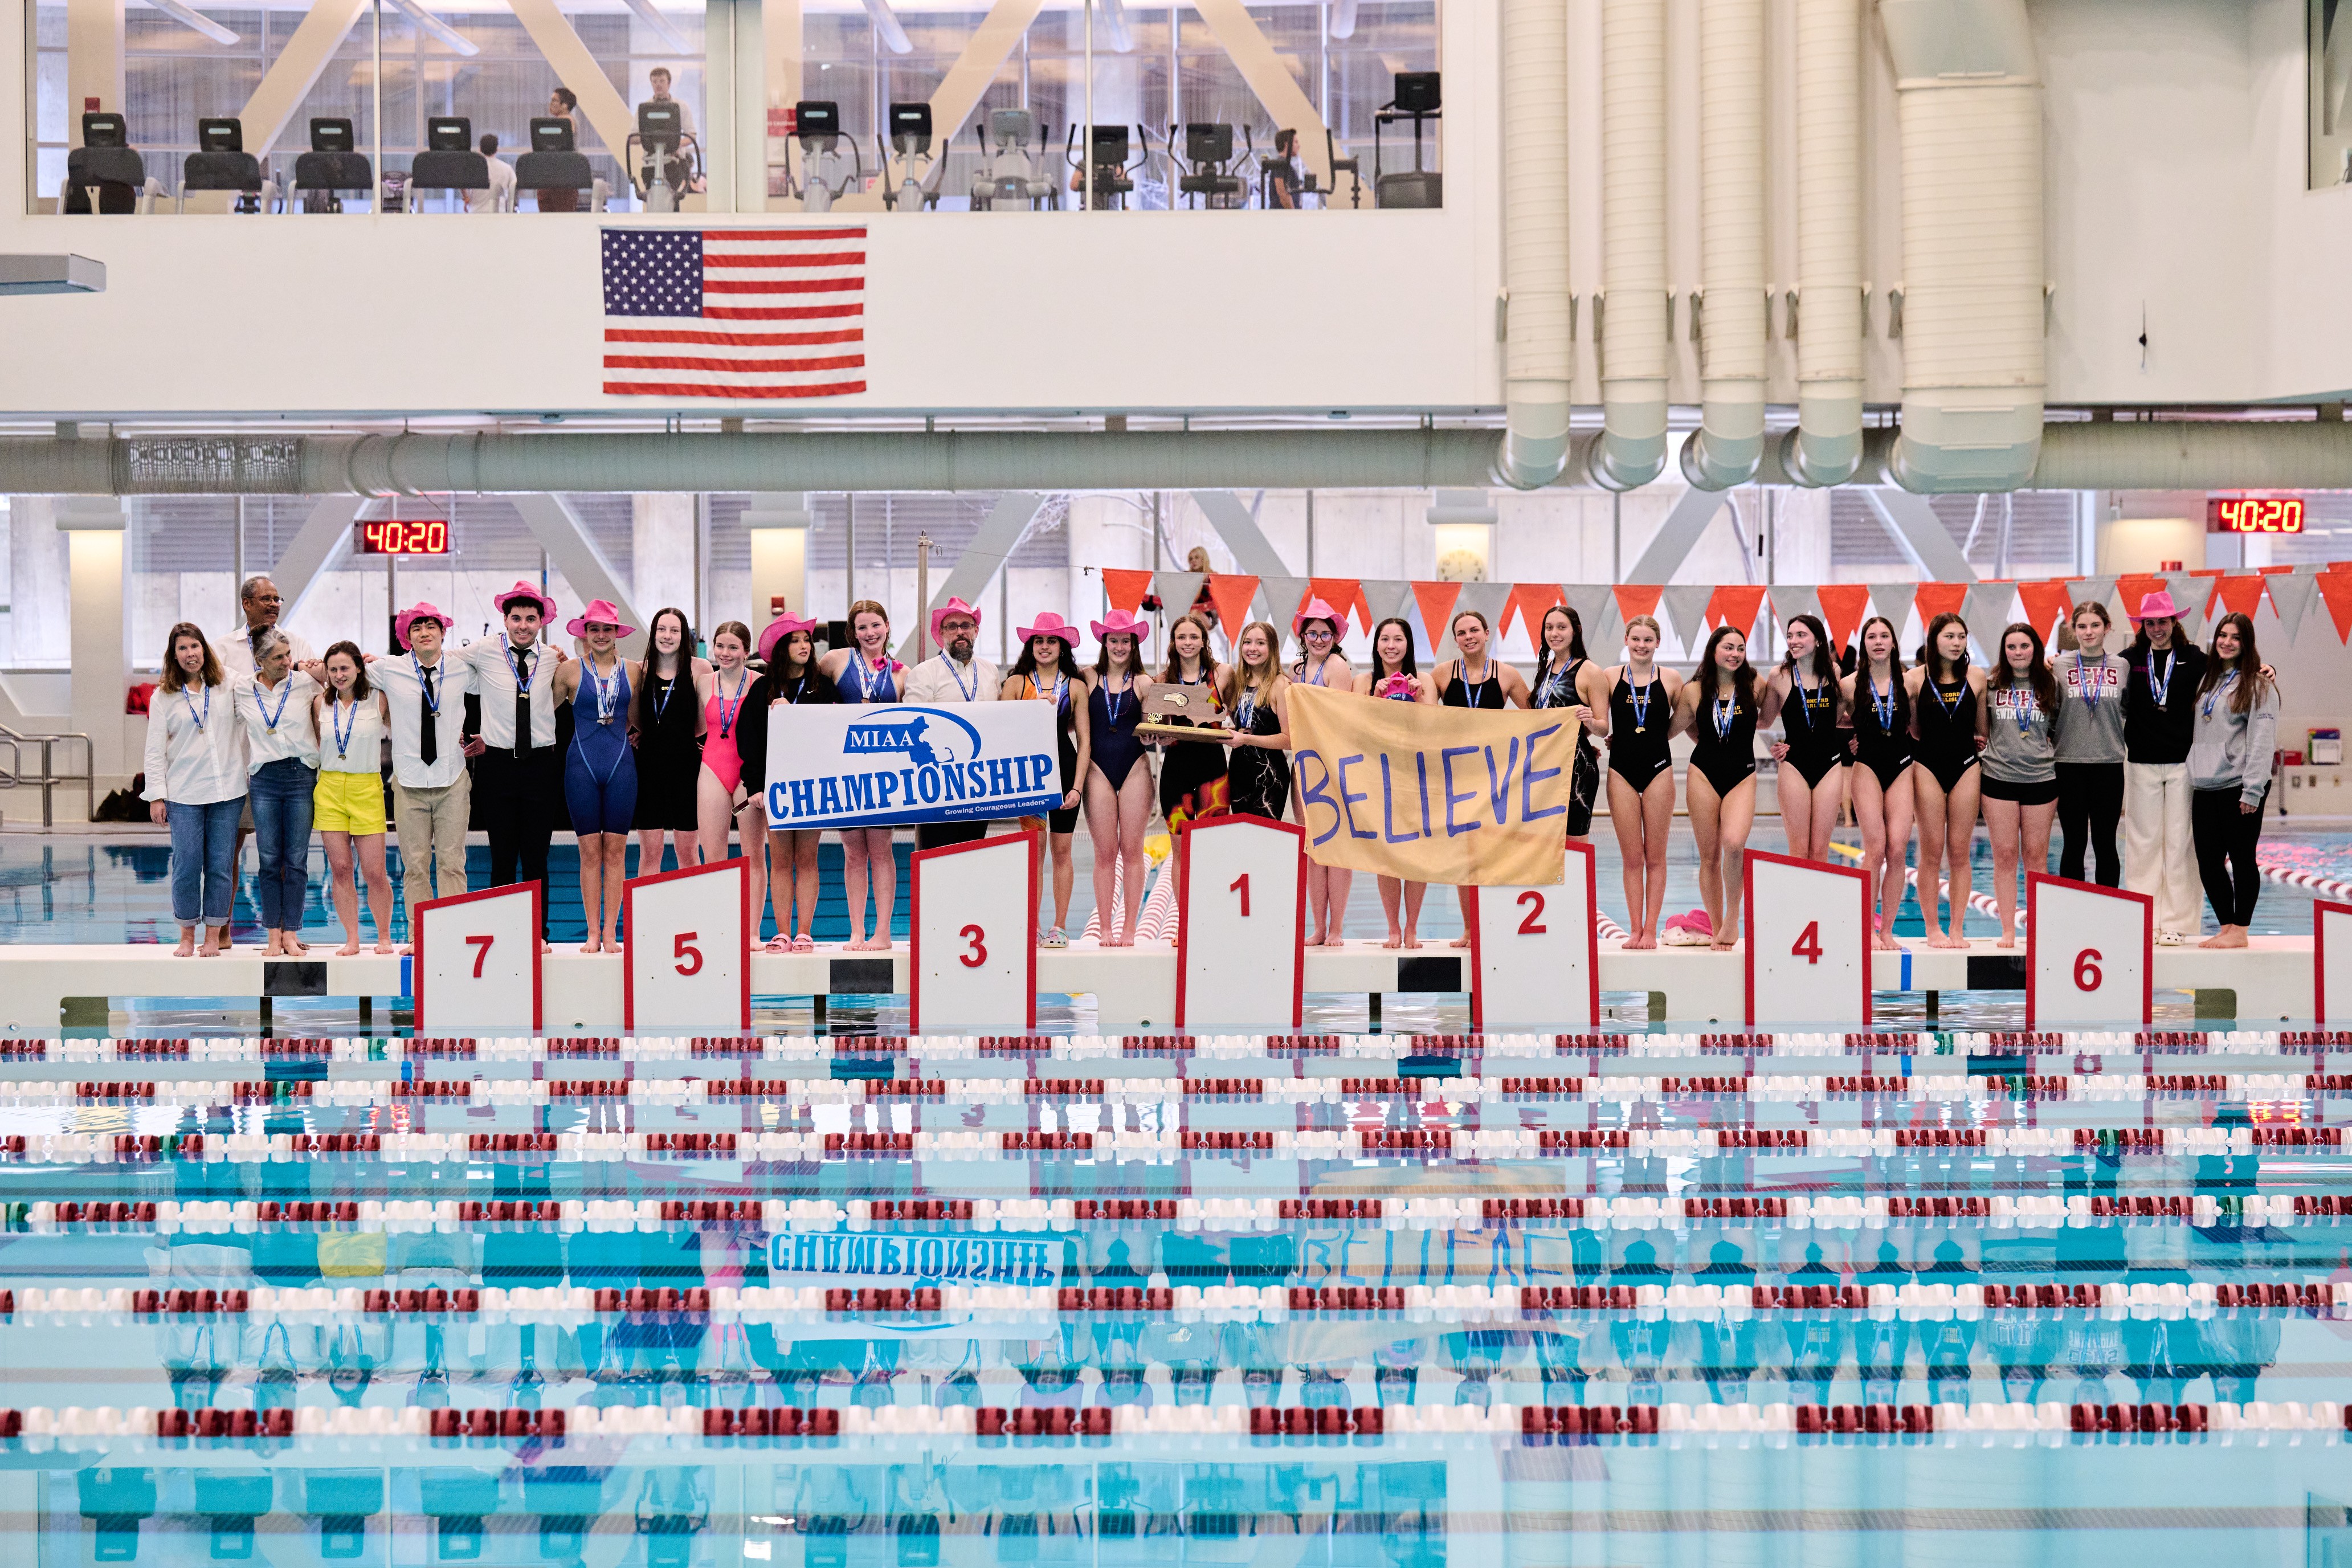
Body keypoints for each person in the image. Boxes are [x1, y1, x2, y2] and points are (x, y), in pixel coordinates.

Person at [459, 582, 567, 949]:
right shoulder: (484, 651)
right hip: (498, 765)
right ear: (505, 620)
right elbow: (439, 661)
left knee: (537, 857)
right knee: (502, 856)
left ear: (542, 622)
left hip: (541, 765)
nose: (523, 625)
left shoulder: (553, 659)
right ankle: (501, 934)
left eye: (531, 619)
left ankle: (539, 934)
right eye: (516, 618)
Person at [370, 602, 472, 926]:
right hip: (409, 781)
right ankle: (420, 935)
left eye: (431, 627)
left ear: (443, 633)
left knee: (452, 863)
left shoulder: (464, 668)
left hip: (452, 780)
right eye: (417, 628)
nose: (425, 633)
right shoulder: (388, 668)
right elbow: (340, 669)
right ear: (407, 638)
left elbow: (504, 682)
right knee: (414, 865)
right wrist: (307, 665)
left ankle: (453, 934)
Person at [1434, 608, 1532, 946]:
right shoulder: (1442, 675)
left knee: (1496, 853)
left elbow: (1537, 720)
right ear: (1456, 640)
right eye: (1462, 633)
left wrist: (1576, 743)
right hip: (1459, 778)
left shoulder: (1507, 676)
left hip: (1497, 777)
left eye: (1475, 630)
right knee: (1466, 857)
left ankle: (1498, 922)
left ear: (1487, 633)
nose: (1469, 637)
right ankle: (1470, 929)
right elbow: (1420, 719)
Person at [146, 623, 244, 957]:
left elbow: (263, 685)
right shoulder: (163, 696)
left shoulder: (227, 683)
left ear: (205, 648)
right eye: (183, 649)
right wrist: (156, 796)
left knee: (220, 864)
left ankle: (214, 935)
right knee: (187, 863)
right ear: (174, 655)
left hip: (226, 790)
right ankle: (187, 934)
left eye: (195, 646)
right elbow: (154, 750)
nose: (191, 654)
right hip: (184, 793)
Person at [1671, 624, 1769, 952]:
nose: (1735, 654)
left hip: (1742, 774)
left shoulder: (1756, 684)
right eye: (1728, 647)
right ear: (1714, 650)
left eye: (1740, 648)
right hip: (1703, 773)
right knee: (1709, 856)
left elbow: (1771, 720)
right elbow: (1674, 729)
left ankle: (1732, 917)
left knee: (1734, 844)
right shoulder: (1694, 690)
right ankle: (1717, 927)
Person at [2188, 611, 2280, 950]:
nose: (2227, 642)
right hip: (2205, 784)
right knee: (2208, 862)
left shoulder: (2260, 685)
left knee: (2242, 859)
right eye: (2223, 635)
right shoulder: (2207, 680)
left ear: (2246, 643)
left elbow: (2261, 739)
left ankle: (2241, 928)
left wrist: (2253, 790)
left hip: (2239, 786)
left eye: (2236, 637)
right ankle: (2227, 926)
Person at [550, 602, 637, 954]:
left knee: (616, 851)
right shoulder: (568, 672)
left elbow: (645, 715)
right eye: (594, 629)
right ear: (585, 633)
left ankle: (612, 932)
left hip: (621, 765)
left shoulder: (635, 670)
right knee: (589, 851)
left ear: (617, 633)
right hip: (581, 766)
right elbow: (541, 715)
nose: (601, 635)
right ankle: (591, 933)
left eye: (607, 629)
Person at [819, 600, 905, 951]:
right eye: (862, 628)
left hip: (884, 774)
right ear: (852, 633)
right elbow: (807, 698)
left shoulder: (903, 674)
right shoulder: (834, 661)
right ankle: (856, 931)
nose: (869, 634)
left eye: (875, 626)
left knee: (882, 850)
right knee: (853, 851)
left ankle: (882, 932)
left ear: (887, 626)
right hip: (847, 771)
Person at [2121, 590, 2206, 945]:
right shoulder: (2128, 660)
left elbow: (2235, 669)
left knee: (2180, 842)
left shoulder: (2195, 658)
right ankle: (2144, 917)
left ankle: (2177, 922)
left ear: (2175, 622)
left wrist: (2270, 668)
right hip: (2141, 761)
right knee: (2142, 843)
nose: (2157, 629)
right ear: (2143, 626)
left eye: (2163, 622)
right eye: (2151, 623)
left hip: (2183, 762)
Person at [1003, 612, 1092, 948]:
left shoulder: (1076, 686)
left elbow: (1084, 741)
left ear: (1062, 646)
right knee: (1033, 852)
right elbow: (1004, 732)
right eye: (1039, 641)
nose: (1044, 646)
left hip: (1065, 770)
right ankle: (1033, 925)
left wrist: (1077, 787)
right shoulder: (1015, 684)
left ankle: (1059, 925)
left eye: (1051, 641)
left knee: (1063, 850)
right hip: (1030, 777)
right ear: (1031, 645)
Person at [748, 614, 834, 952]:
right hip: (777, 785)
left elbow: (832, 735)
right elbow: (750, 741)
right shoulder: (762, 688)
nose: (804, 646)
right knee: (781, 861)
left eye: (806, 640)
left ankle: (805, 932)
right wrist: (755, 786)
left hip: (812, 784)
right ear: (782, 648)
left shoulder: (823, 687)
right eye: (795, 640)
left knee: (808, 858)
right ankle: (783, 931)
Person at [232, 627, 320, 957]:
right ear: (260, 660)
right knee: (268, 860)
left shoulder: (304, 682)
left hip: (301, 776)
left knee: (296, 860)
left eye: (288, 655)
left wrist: (314, 666)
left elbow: (343, 674)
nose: (287, 661)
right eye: (279, 657)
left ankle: (291, 934)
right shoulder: (242, 690)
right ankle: (272, 934)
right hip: (265, 779)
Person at [1354, 616, 1435, 948]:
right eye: (1385, 639)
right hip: (1378, 773)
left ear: (1408, 644)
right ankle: (1393, 928)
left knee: (1416, 851)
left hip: (1414, 774)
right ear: (1376, 645)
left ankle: (1412, 927)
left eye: (1398, 639)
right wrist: (1375, 697)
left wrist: (1417, 700)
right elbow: (1355, 729)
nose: (1391, 646)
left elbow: (1432, 730)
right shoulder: (1363, 681)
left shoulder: (1425, 681)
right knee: (1386, 853)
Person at [312, 641, 395, 956]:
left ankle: (384, 936)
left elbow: (397, 676)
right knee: (341, 868)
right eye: (332, 669)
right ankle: (352, 938)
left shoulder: (378, 699)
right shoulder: (321, 703)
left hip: (366, 788)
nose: (338, 675)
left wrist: (379, 663)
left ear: (360, 668)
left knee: (375, 872)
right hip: (330, 788)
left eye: (345, 668)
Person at [1979, 623, 2060, 949]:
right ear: (2004, 651)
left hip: (2041, 778)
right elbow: (1981, 730)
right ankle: (2009, 930)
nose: (2018, 652)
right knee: (2005, 855)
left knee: (2036, 859)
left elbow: (2060, 727)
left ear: (2035, 648)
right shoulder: (1992, 685)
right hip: (1999, 777)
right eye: (2011, 647)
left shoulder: (2051, 685)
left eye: (2024, 646)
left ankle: (2038, 929)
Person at [1909, 612, 1986, 950]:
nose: (1957, 643)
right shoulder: (1914, 679)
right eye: (1949, 637)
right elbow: (1913, 729)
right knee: (1930, 853)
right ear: (1934, 641)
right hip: (1927, 765)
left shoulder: (1977, 677)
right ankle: (1932, 929)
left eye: (1961, 637)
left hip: (1966, 765)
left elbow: (1982, 729)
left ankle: (1957, 928)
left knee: (1960, 853)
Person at [1604, 615, 1681, 949]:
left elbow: (1688, 718)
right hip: (1620, 769)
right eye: (1636, 639)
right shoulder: (1609, 677)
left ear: (1658, 643)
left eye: (1648, 640)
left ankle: (1651, 929)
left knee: (1656, 857)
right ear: (1626, 640)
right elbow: (1595, 716)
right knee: (1632, 857)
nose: (1641, 645)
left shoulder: (1672, 679)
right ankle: (1634, 928)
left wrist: (1657, 738)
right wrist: (1604, 738)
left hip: (1659, 769)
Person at [1154, 612, 1231, 941]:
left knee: (1212, 848)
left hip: (1214, 770)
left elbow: (1236, 711)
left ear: (1204, 640)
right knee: (1181, 850)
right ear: (1174, 643)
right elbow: (1154, 727)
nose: (1188, 643)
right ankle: (1186, 923)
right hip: (1177, 769)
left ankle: (1212, 919)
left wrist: (1226, 719)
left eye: (1193, 637)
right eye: (1181, 637)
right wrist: (1156, 733)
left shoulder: (1223, 674)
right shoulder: (1161, 681)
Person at [1840, 615, 1915, 951]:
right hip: (1867, 765)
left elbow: (1919, 726)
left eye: (1885, 635)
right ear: (1865, 644)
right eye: (1872, 636)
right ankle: (1865, 929)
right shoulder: (1849, 684)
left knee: (1897, 848)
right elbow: (1826, 724)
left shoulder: (1910, 681)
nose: (1879, 641)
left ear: (1894, 642)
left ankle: (1887, 930)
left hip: (1900, 765)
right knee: (1876, 847)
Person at [904, 597, 1000, 851]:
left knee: (972, 854)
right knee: (937, 857)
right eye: (952, 626)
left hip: (981, 783)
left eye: (966, 625)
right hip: (938, 784)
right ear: (941, 633)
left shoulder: (990, 672)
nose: (960, 632)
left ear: (976, 631)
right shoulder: (923, 673)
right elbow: (915, 733)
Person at [1085, 610, 1153, 948]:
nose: (1120, 646)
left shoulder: (1144, 682)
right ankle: (1105, 928)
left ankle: (1129, 927)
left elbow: (1155, 727)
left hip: (1135, 768)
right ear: (1104, 642)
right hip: (1097, 770)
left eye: (1126, 640)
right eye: (1114, 640)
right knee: (1104, 852)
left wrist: (1157, 736)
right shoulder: (1086, 679)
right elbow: (1071, 722)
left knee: (1132, 849)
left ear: (1134, 643)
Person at [1289, 598, 1354, 945]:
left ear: (1334, 637)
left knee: (1336, 845)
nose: (1318, 639)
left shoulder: (1337, 667)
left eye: (1325, 633)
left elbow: (1339, 721)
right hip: (1303, 764)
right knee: (1312, 847)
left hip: (1331, 764)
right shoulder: (1294, 671)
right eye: (1312, 633)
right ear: (1303, 635)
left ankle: (1337, 927)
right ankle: (1317, 926)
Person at [2053, 601, 2128, 887]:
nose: (2088, 632)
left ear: (2107, 628)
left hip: (2109, 764)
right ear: (2074, 630)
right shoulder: (2059, 666)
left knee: (2106, 843)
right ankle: (2075, 915)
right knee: (2073, 844)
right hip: (2068, 764)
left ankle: (2108, 915)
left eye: (2095, 625)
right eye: (2082, 626)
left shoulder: (2122, 666)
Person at [633, 608, 707, 877]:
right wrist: (651, 733)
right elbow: (634, 716)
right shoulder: (640, 671)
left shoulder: (700, 669)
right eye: (661, 630)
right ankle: (646, 918)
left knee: (688, 852)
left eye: (674, 630)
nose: (667, 636)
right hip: (649, 768)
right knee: (651, 852)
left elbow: (704, 718)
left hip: (687, 769)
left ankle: (692, 917)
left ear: (683, 635)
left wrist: (685, 738)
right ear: (653, 634)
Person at [1767, 614, 1847, 863]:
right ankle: (1798, 903)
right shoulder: (1778, 676)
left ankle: (1817, 903)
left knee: (1820, 851)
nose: (1793, 641)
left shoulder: (1834, 672)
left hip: (1830, 763)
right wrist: (1775, 747)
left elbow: (1836, 718)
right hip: (1794, 764)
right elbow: (1763, 721)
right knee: (1800, 852)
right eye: (1790, 636)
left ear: (1818, 641)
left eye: (1801, 635)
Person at [1528, 604, 1611, 845]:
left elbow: (1603, 727)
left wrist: (1589, 720)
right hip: (1544, 764)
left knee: (1575, 846)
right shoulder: (1546, 669)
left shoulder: (1590, 671)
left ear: (1576, 631)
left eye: (1562, 627)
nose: (1554, 633)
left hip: (1576, 768)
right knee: (1545, 845)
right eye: (1549, 628)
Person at [1225, 619, 1293, 822]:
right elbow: (1242, 727)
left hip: (1270, 775)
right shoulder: (1237, 683)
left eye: (1260, 643)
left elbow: (1289, 739)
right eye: (1247, 642)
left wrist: (1247, 740)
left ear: (1272, 648)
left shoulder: (1281, 684)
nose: (1253, 648)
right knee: (1243, 840)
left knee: (1264, 841)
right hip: (1238, 771)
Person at [217, 574, 318, 677]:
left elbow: (314, 688)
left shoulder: (299, 645)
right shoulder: (222, 648)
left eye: (276, 600)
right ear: (247, 604)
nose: (274, 604)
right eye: (266, 599)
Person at [467, 133, 515, 213]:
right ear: (497, 149)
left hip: (476, 213)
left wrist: (466, 198)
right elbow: (514, 189)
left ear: (480, 149)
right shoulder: (507, 168)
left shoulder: (472, 168)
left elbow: (463, 186)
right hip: (498, 213)